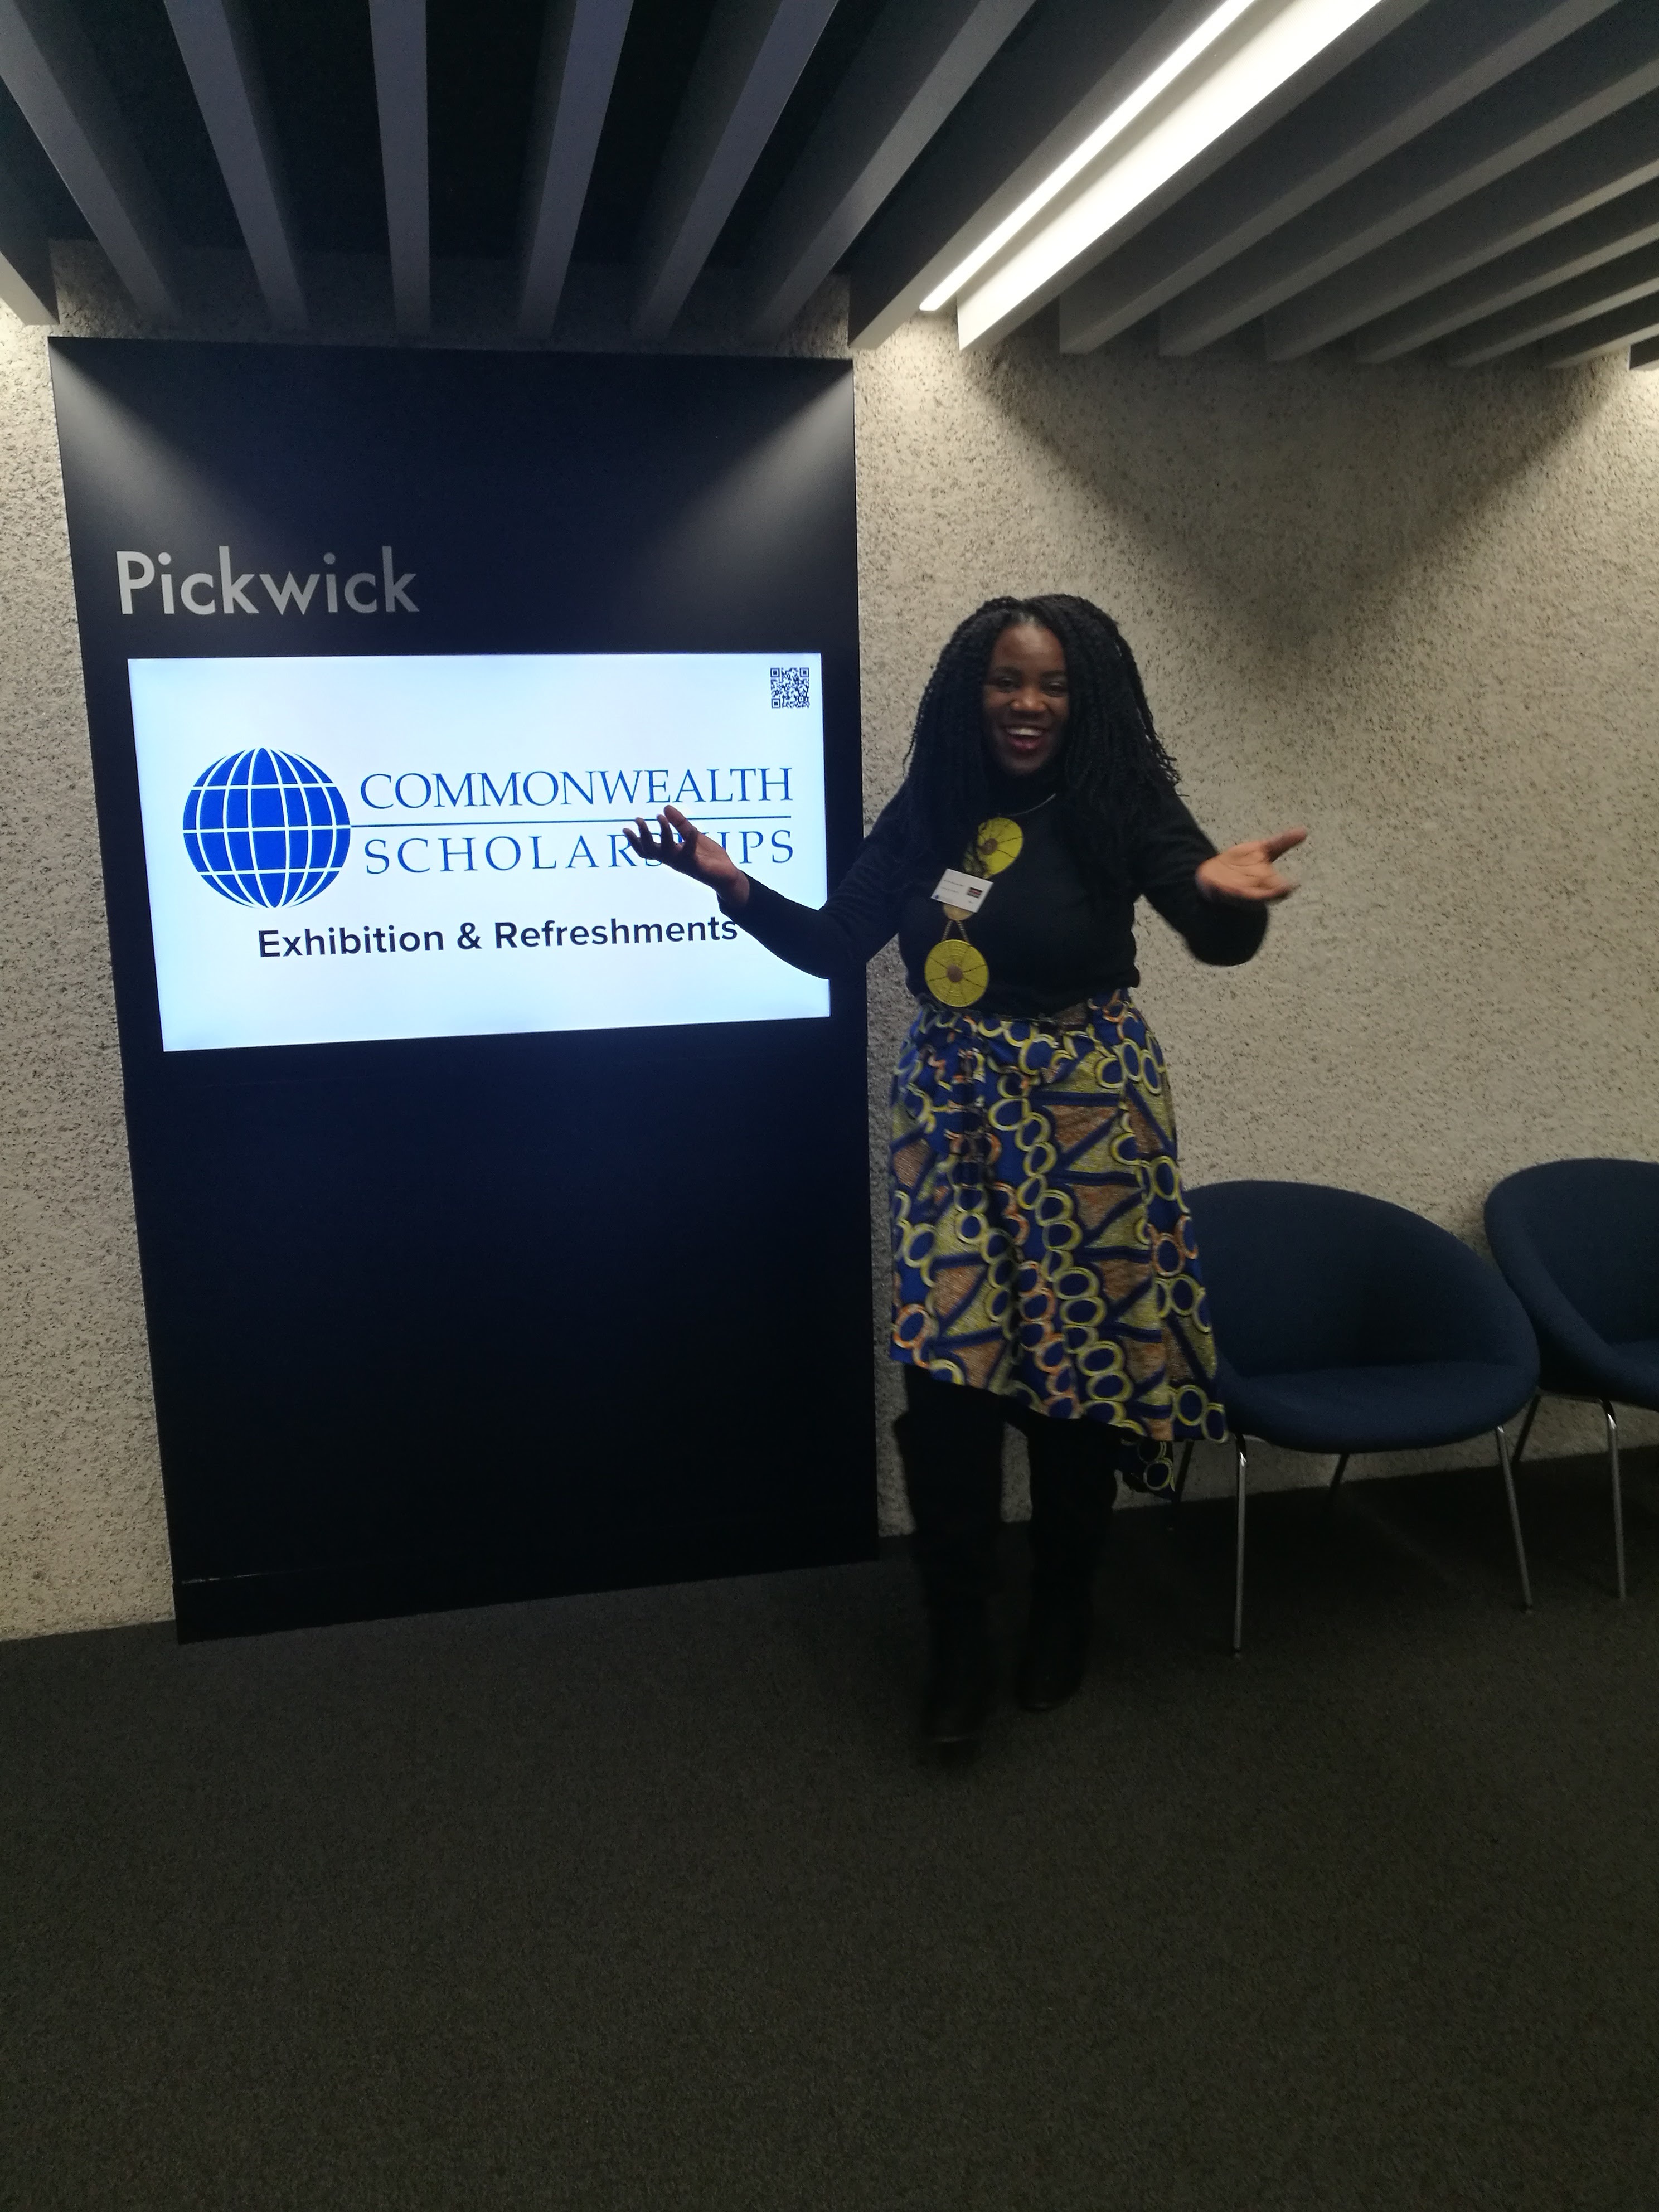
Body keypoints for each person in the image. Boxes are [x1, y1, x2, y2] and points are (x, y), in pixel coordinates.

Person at [627, 595, 1301, 1755]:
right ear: (968, 690)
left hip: (1092, 1114)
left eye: (1053, 685)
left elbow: (1202, 911)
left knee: (1076, 1386)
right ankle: (958, 1641)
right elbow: (839, 945)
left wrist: (1231, 911)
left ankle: (1064, 1605)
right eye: (1007, 680)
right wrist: (730, 886)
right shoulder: (933, 807)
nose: (1029, 704)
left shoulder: (1120, 801)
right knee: (948, 1387)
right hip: (954, 1113)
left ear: (1083, 699)